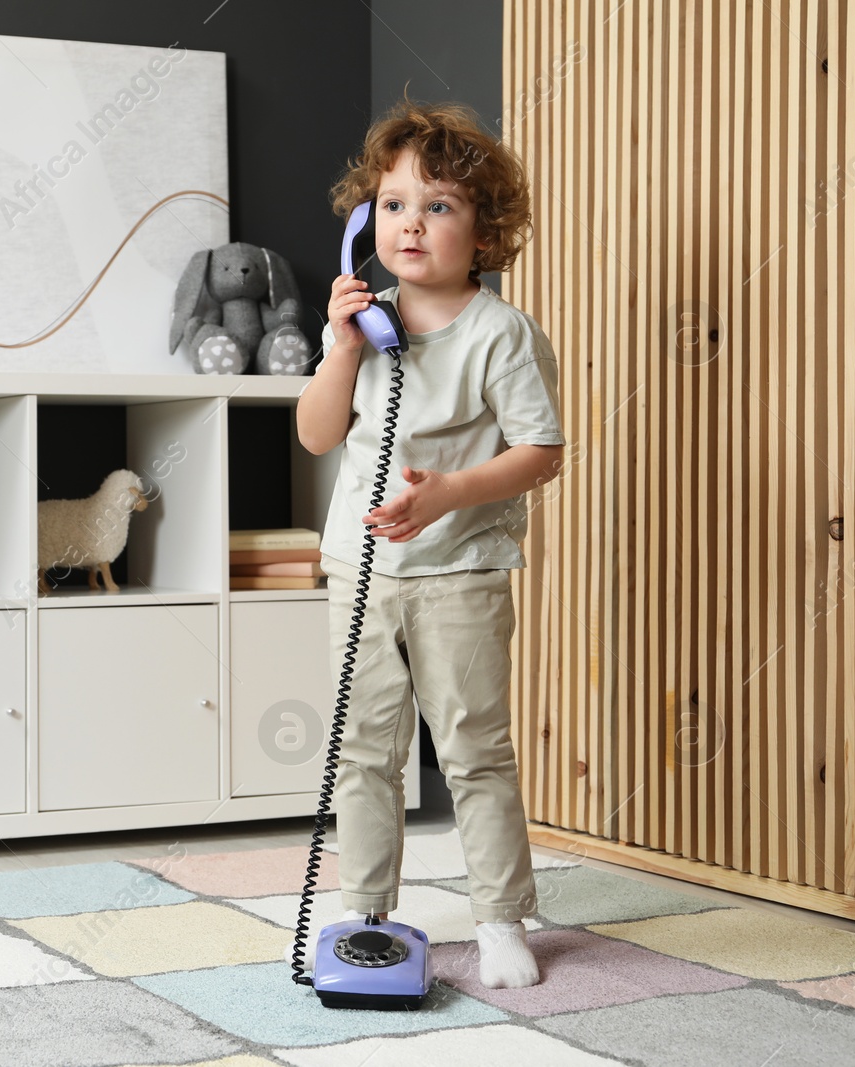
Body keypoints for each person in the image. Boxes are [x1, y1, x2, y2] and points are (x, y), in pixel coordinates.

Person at [292, 97, 566, 989]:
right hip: (361, 570)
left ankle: (499, 916)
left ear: (485, 234)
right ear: (370, 219)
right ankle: (363, 908)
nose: (412, 223)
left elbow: (540, 451)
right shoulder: (367, 328)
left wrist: (451, 493)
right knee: (364, 747)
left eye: (440, 206)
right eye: (397, 203)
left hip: (462, 572)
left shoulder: (502, 334)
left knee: (474, 747)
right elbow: (317, 435)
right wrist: (338, 349)